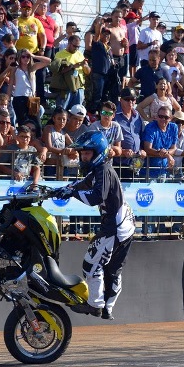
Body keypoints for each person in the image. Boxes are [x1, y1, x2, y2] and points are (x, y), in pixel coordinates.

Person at [51, 131, 135, 320]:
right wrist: (66, 189)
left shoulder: (103, 170)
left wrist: (71, 194)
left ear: (98, 152)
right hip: (124, 223)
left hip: (116, 225)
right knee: (112, 269)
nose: (83, 157)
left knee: (91, 264)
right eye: (82, 154)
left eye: (87, 153)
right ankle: (107, 308)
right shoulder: (99, 170)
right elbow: (84, 183)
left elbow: (96, 197)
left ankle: (95, 305)